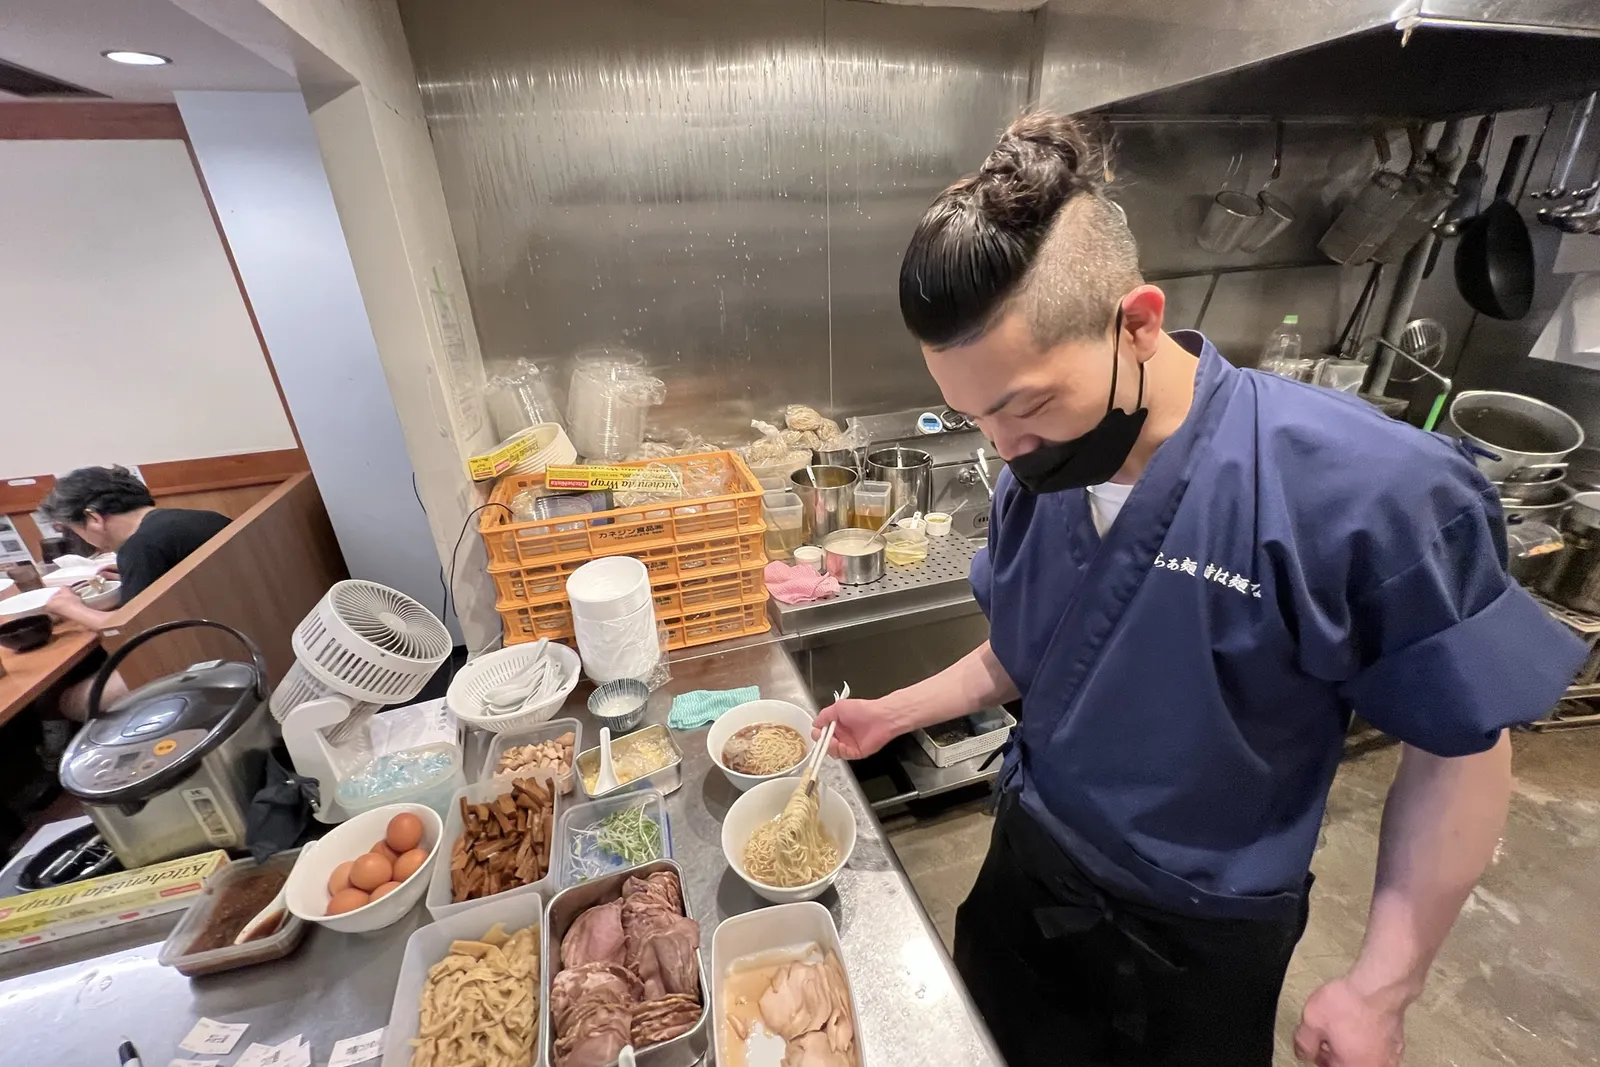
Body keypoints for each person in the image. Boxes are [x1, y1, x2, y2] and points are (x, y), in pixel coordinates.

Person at [813, 113, 1586, 1067]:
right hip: (1028, 873)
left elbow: (1459, 745)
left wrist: (1383, 986)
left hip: (1195, 934)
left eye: (1029, 404)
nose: (1007, 449)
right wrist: (894, 712)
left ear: (1137, 322)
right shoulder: (1034, 481)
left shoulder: (1365, 491)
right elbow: (1032, 647)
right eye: (977, 418)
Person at [34, 466, 231, 720]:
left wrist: (69, 607)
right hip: (232, 632)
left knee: (65, 700)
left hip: (200, 656)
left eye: (75, 530)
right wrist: (130, 575)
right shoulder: (199, 518)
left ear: (93, 518)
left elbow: (130, 632)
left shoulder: (140, 547)